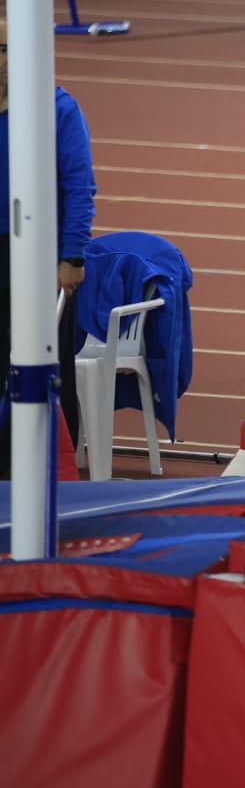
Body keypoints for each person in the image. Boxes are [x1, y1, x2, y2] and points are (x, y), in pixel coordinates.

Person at [0, 30, 98, 477]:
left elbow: (80, 186)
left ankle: (52, 469)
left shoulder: (57, 108)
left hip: (38, 254)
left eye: (3, 49)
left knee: (45, 362)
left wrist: (72, 256)